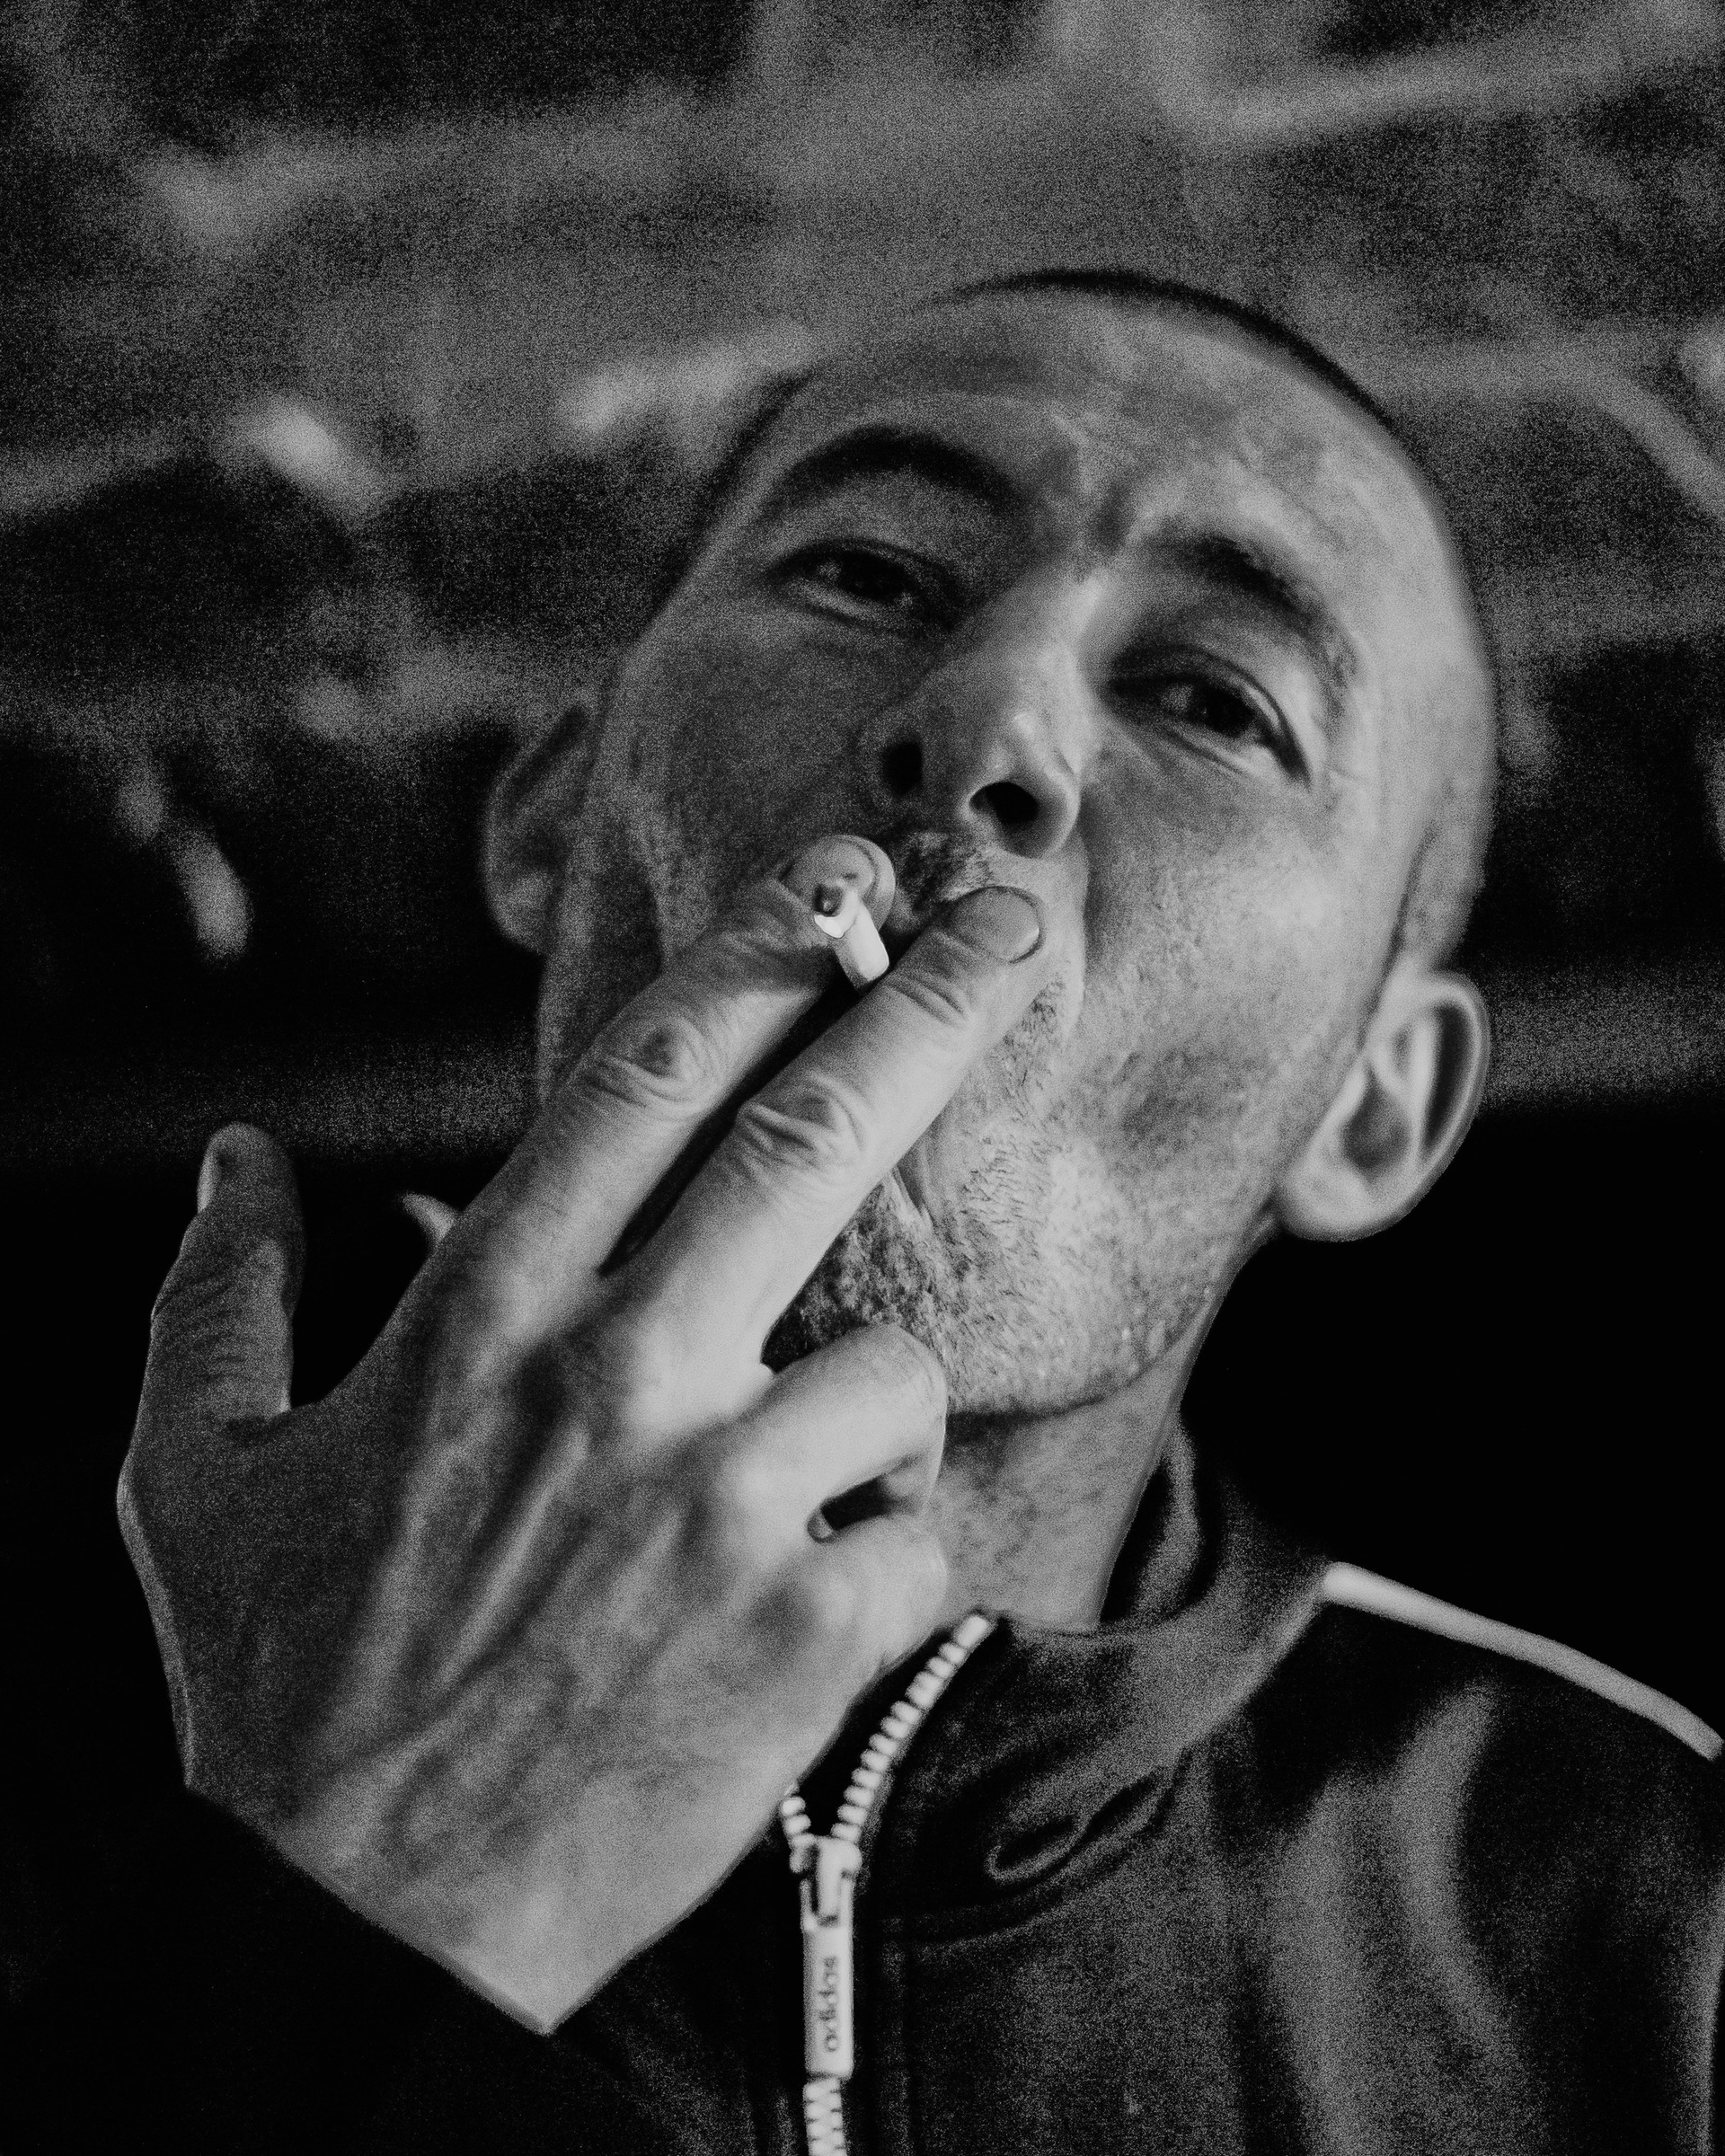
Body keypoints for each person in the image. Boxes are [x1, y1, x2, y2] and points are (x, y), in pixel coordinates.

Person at [93, 271, 1725, 2150]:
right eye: (866, 577)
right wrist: (343, 1926)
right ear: (554, 816)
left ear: (1376, 1102)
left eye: (1215, 701)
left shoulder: (1650, 1909)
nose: (990, 725)